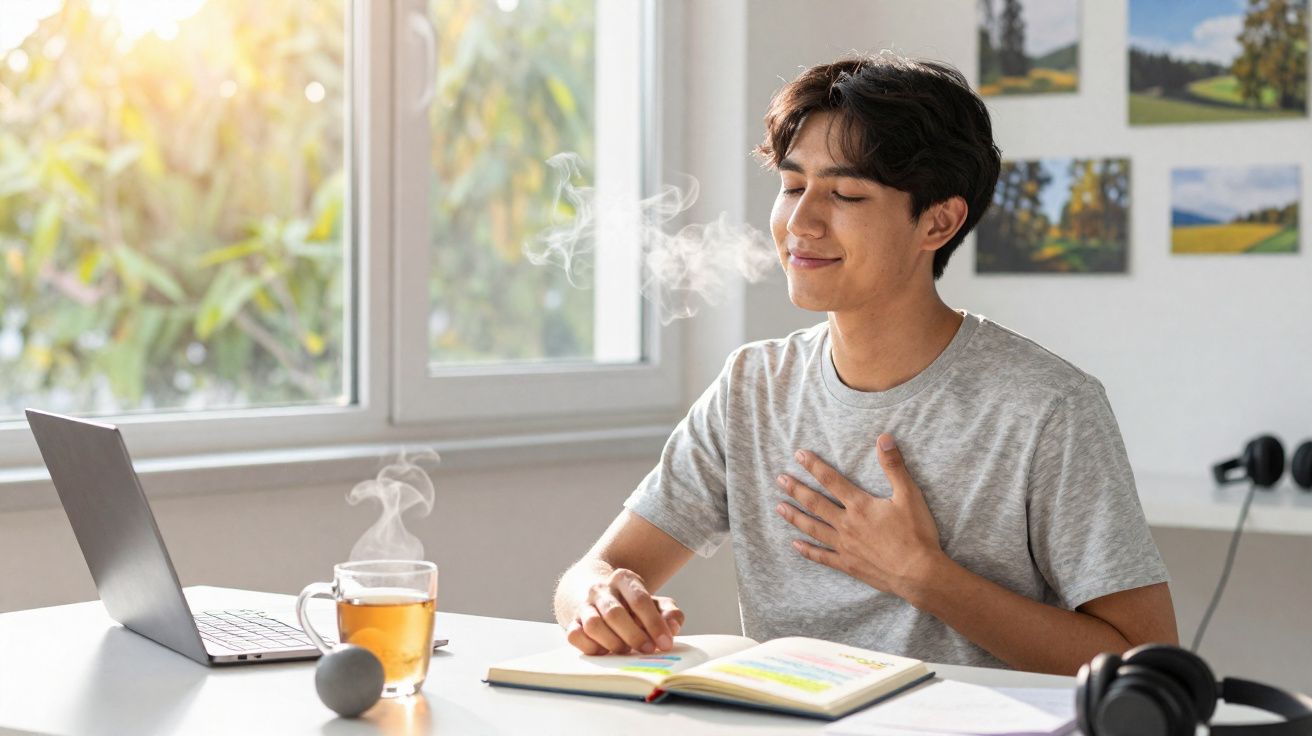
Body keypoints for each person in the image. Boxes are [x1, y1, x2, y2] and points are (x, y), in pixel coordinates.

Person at [552, 53, 1178, 675]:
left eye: (846, 194)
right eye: (791, 187)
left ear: (938, 221)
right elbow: (592, 574)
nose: (800, 222)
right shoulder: (752, 387)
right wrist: (599, 599)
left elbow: (1145, 662)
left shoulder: (1048, 407)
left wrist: (925, 577)